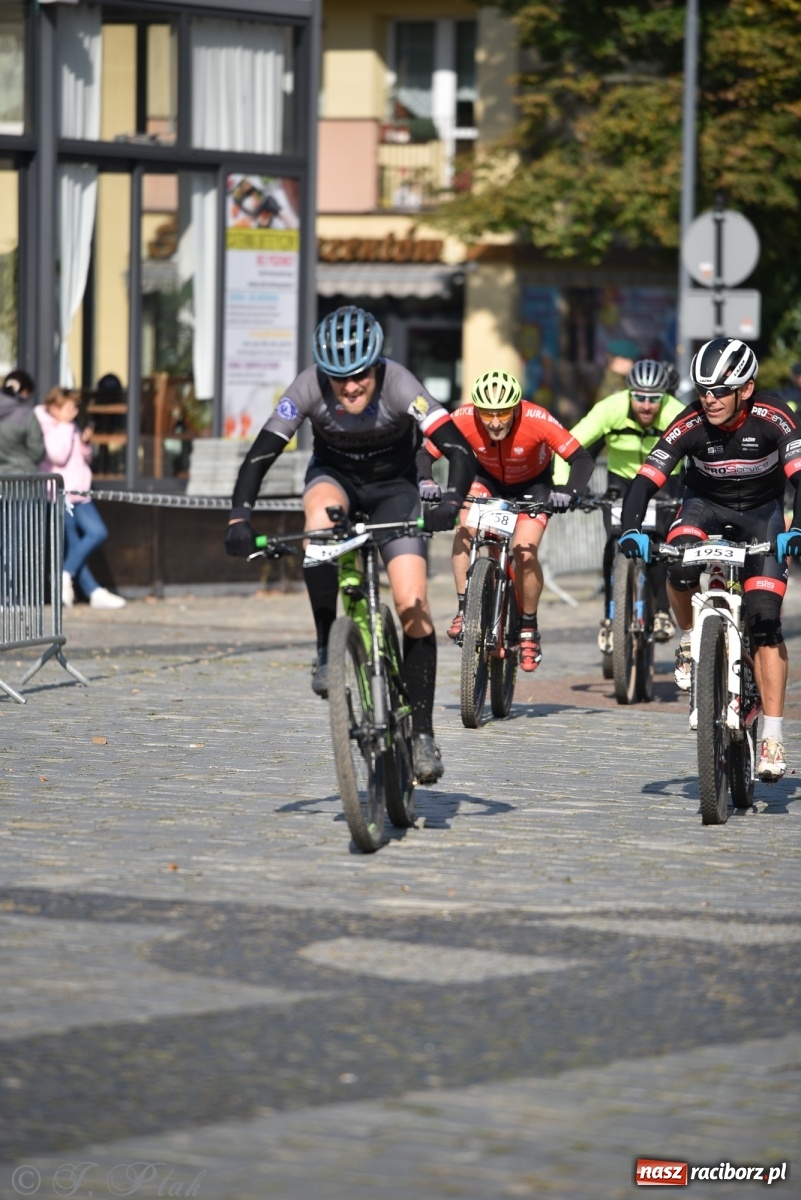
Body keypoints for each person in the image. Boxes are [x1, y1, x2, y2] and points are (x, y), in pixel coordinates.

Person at [225, 305, 477, 784]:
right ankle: (326, 646)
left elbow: (458, 447)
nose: (351, 387)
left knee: (412, 605)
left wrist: (451, 500)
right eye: (339, 379)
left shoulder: (401, 383)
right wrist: (240, 516)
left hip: (395, 491)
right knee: (317, 522)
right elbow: (262, 452)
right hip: (334, 479)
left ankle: (421, 734)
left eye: (359, 375)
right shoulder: (306, 387)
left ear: (377, 367)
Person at [618, 337, 801, 782]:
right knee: (678, 567)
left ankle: (772, 736)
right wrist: (631, 528)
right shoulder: (690, 421)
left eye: (720, 391)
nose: (710, 399)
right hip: (703, 507)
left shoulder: (775, 417)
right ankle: (688, 639)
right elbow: (646, 479)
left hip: (763, 516)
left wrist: (795, 530)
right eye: (703, 390)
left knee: (764, 620)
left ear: (747, 388)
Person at [416, 370, 594, 670]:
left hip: (532, 487)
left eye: (503, 414)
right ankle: (464, 610)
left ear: (516, 408)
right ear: (476, 410)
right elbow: (425, 454)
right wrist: (426, 481)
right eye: (488, 414)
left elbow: (582, 459)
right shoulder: (462, 417)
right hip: (485, 480)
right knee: (466, 531)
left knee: (525, 552)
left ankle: (528, 628)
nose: (496, 422)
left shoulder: (536, 418)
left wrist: (568, 492)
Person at [553, 358, 686, 655]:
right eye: (639, 397)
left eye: (654, 399)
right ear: (629, 394)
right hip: (623, 481)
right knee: (615, 541)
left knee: (659, 544)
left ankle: (663, 612)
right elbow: (568, 447)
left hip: (665, 482)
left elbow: (702, 452)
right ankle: (610, 617)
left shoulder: (677, 414)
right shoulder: (610, 408)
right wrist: (566, 488)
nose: (646, 406)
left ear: (665, 396)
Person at [35, 387, 126, 609]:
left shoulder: (70, 426)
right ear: (55, 408)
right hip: (60, 495)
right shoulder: (48, 427)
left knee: (93, 535)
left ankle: (67, 576)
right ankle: (91, 589)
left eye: (75, 407)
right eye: (69, 408)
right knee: (81, 540)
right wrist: (66, 427)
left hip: (80, 492)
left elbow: (83, 457)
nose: (73, 412)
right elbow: (57, 454)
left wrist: (85, 442)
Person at [0, 369, 45, 474]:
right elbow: (37, 452)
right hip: (23, 480)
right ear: (23, 391)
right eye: (28, 393)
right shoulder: (27, 415)